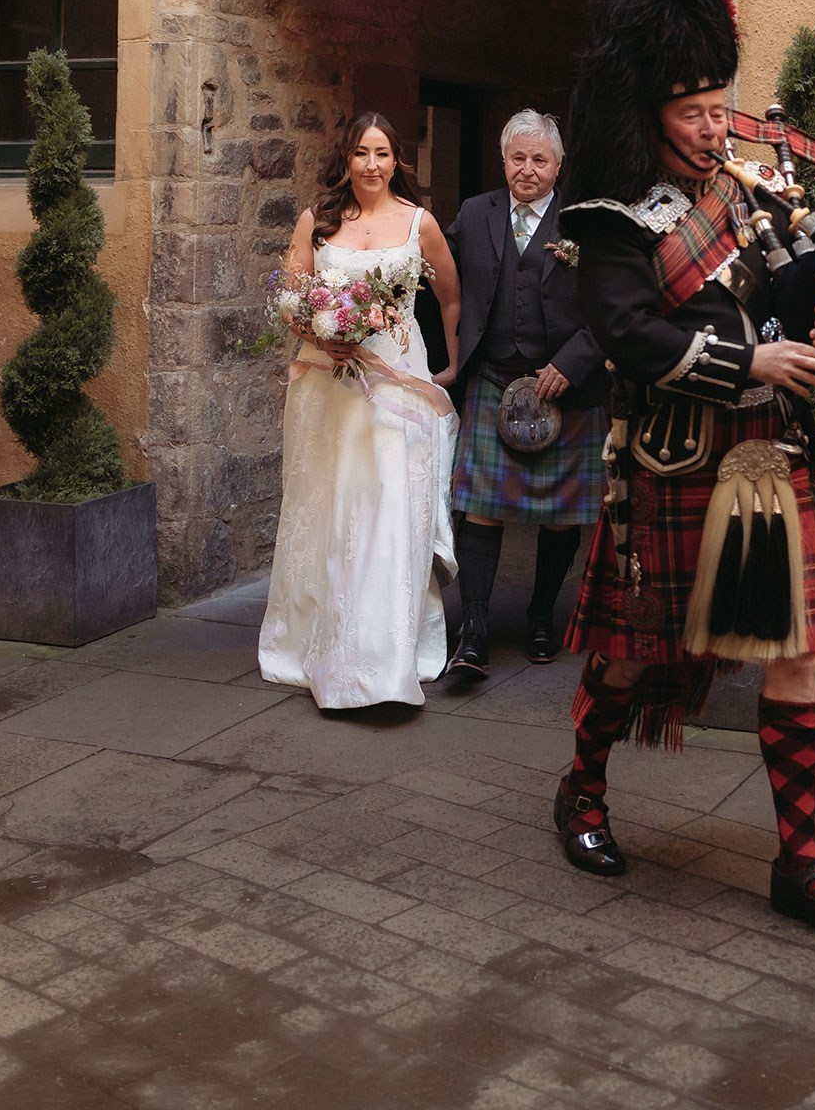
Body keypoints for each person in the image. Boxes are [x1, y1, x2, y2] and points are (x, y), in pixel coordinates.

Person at [552, 0, 815, 946]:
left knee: (795, 660)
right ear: (649, 107)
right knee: (628, 657)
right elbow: (629, 334)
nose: (712, 128)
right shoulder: (615, 212)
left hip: (768, 464)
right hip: (670, 462)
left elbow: (801, 283)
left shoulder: (752, 183)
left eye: (715, 106)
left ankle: (802, 866)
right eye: (691, 113)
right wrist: (751, 364)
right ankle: (584, 790)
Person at [258, 111, 462, 709]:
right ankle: (315, 643)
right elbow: (290, 300)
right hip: (327, 390)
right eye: (360, 153)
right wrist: (321, 334)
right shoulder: (316, 222)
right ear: (345, 159)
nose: (370, 165)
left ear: (398, 160)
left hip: (397, 384)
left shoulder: (420, 223)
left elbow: (450, 296)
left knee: (391, 506)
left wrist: (449, 366)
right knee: (332, 506)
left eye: (381, 154)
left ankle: (384, 656)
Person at [444, 109, 609, 682]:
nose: (528, 169)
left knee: (561, 518)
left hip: (566, 389)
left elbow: (615, 306)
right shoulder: (473, 214)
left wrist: (573, 360)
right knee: (480, 509)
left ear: (558, 166)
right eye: (519, 157)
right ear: (504, 159)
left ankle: (542, 617)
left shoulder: (584, 223)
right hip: (492, 379)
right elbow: (438, 285)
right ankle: (475, 631)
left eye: (540, 160)